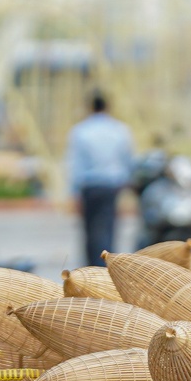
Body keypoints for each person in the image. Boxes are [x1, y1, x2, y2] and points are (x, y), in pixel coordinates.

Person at [65, 90, 134, 265]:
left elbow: (75, 163)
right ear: (108, 106)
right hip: (111, 185)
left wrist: (73, 191)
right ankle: (108, 264)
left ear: (89, 107)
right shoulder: (119, 129)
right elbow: (126, 159)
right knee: (109, 227)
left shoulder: (80, 130)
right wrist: (127, 182)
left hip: (90, 185)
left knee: (89, 230)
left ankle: (91, 269)